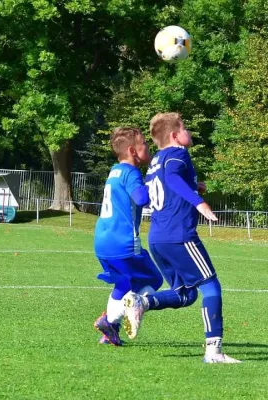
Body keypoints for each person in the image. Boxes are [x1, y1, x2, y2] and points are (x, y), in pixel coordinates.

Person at [122, 112, 241, 364]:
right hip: (179, 235)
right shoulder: (179, 154)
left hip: (158, 238)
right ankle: (214, 351)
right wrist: (199, 203)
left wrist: (193, 186)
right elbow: (173, 178)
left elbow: (163, 185)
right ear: (175, 135)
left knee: (186, 294)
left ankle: (142, 301)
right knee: (211, 286)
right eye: (185, 128)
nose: (189, 132)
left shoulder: (156, 160)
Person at [93, 127, 164, 346]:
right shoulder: (131, 172)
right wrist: (162, 183)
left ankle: (109, 332)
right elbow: (141, 197)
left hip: (102, 241)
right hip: (123, 242)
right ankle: (111, 320)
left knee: (123, 284)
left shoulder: (115, 170)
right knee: (154, 279)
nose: (149, 147)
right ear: (133, 151)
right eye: (145, 144)